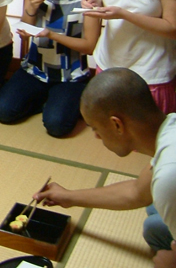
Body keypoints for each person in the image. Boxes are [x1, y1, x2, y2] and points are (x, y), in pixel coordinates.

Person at [35, 68, 176, 268]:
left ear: (117, 125)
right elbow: (136, 192)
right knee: (154, 215)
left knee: (158, 214)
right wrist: (69, 196)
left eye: (95, 129)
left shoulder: (170, 174)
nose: (96, 137)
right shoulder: (170, 129)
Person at [0, 0, 100, 137]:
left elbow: (89, 46)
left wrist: (53, 35)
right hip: (35, 68)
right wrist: (31, 9)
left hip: (70, 75)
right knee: (4, 111)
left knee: (57, 126)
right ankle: (49, 100)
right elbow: (25, 32)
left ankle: (60, 101)